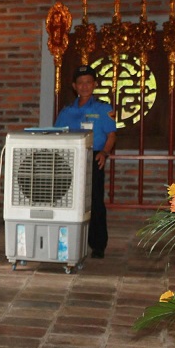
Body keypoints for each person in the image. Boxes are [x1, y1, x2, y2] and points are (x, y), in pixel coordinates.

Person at [54, 64, 116, 258]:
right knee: (67, 200)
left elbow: (111, 135)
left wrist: (104, 153)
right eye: (80, 83)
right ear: (74, 86)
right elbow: (57, 135)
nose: (84, 86)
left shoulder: (103, 109)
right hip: (69, 160)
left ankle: (98, 244)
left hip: (93, 157)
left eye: (88, 82)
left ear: (95, 84)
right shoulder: (66, 111)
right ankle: (68, 240)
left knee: (95, 201)